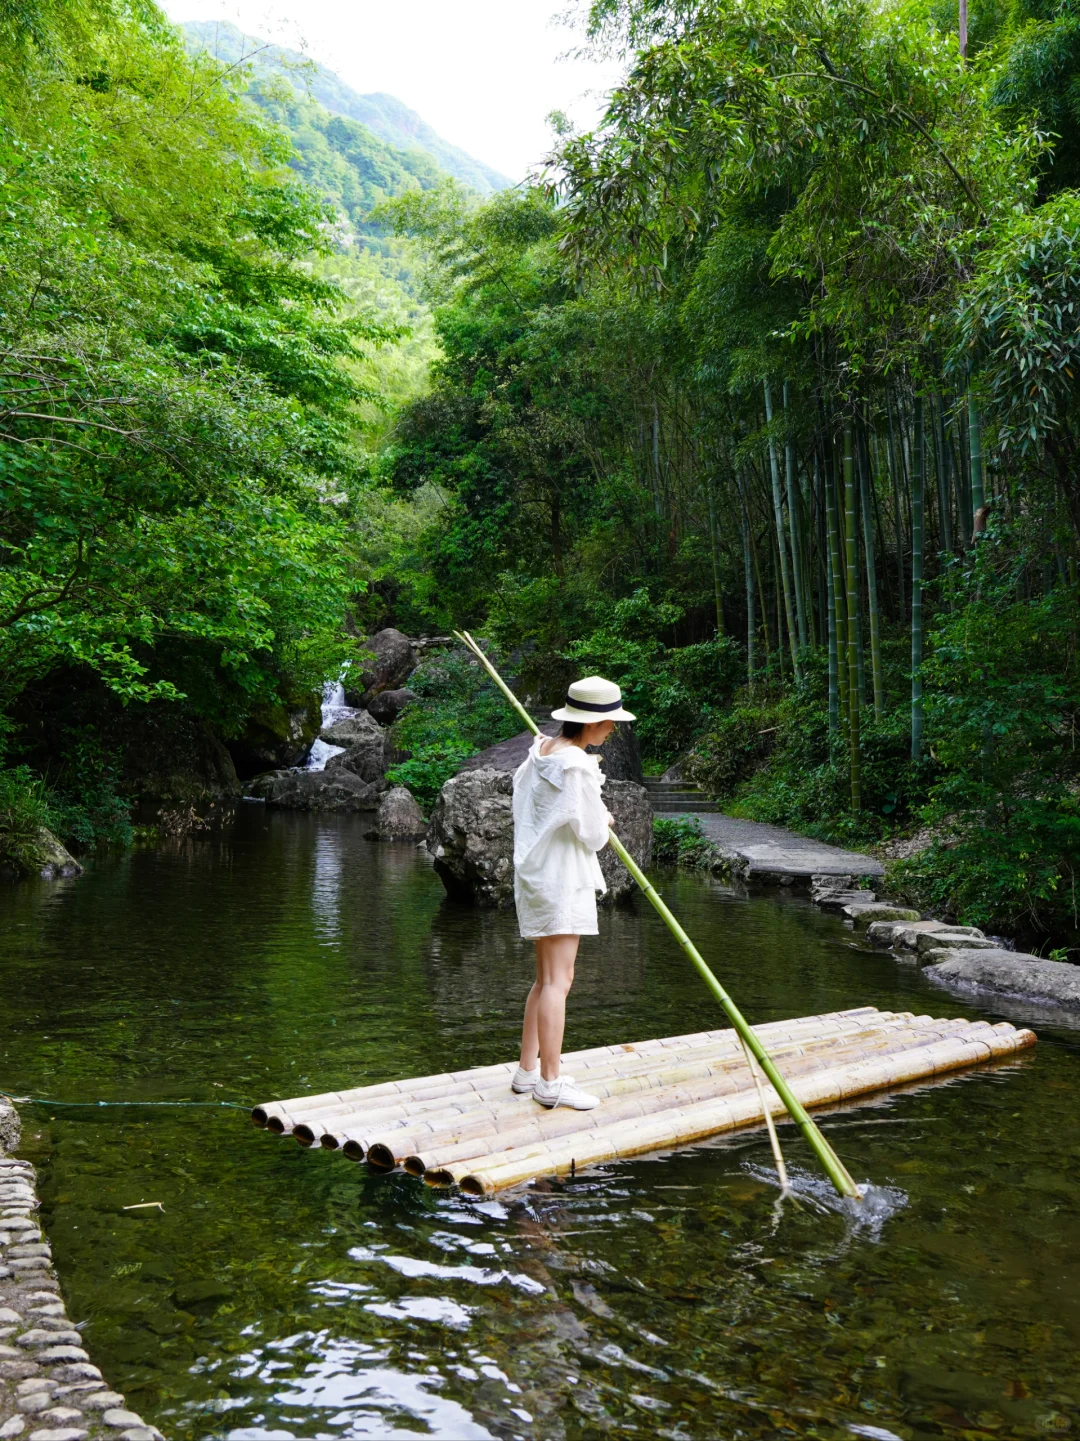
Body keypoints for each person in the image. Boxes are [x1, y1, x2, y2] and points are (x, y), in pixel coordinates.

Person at [509, 676, 636, 1110]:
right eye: (609, 722)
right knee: (559, 982)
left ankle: (527, 1071)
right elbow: (591, 834)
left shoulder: (540, 751)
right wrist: (606, 821)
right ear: (593, 722)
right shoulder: (575, 766)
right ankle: (550, 1082)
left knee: (545, 980)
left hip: (536, 874)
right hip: (562, 878)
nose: (612, 729)